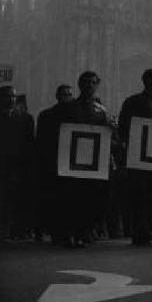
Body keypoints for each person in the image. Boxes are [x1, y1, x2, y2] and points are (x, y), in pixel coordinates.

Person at [60, 71, 112, 247]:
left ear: (97, 85)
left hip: (93, 161)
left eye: (93, 82)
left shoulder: (101, 111)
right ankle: (70, 232)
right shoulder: (69, 107)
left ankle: (85, 231)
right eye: (86, 82)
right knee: (72, 196)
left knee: (91, 197)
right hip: (72, 159)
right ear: (80, 85)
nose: (89, 86)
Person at [118, 69, 152, 246]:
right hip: (137, 156)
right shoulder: (132, 102)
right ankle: (139, 229)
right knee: (138, 193)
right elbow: (124, 127)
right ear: (148, 81)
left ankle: (149, 228)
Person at [35, 84, 74, 242]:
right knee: (53, 198)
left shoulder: (74, 114)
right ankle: (54, 231)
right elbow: (41, 140)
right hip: (51, 160)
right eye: (64, 94)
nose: (66, 97)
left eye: (69, 95)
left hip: (69, 161)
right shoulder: (46, 115)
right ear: (57, 96)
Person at [0, 85, 35, 240]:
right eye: (7, 96)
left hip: (18, 165)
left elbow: (29, 143)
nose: (11, 100)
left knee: (17, 198)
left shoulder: (25, 118)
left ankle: (18, 230)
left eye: (13, 96)